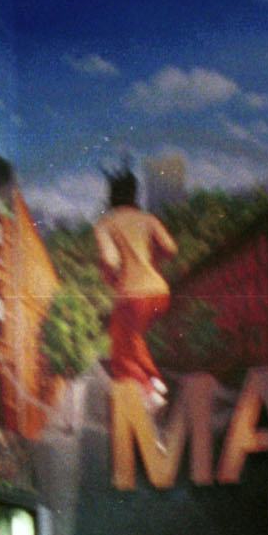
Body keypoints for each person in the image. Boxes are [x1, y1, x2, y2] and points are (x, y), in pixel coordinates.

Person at [92, 164, 178, 397]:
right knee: (132, 338)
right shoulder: (148, 219)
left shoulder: (106, 224)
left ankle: (149, 389)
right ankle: (154, 381)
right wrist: (152, 261)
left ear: (111, 196)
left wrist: (110, 277)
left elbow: (110, 261)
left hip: (132, 294)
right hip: (160, 292)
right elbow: (170, 248)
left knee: (119, 351)